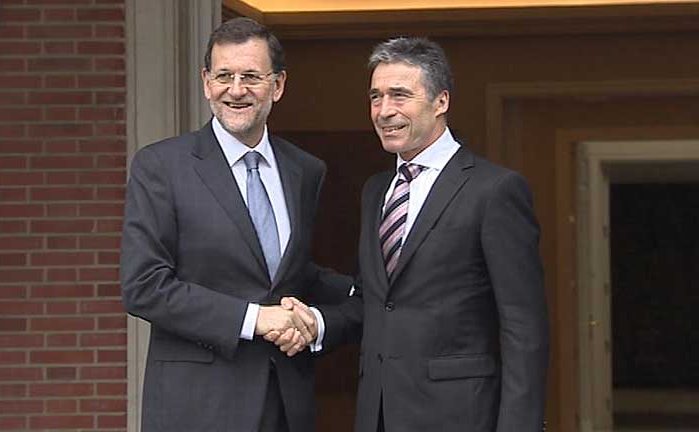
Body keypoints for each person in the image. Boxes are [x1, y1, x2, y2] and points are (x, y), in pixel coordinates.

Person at [120, 17, 350, 432]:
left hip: (286, 402)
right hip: (199, 407)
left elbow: (292, 272)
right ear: (206, 82)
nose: (236, 89)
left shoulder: (305, 170)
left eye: (251, 77)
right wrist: (255, 318)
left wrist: (365, 294)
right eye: (224, 76)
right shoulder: (161, 166)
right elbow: (144, 286)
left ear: (278, 85)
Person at [315, 37, 550, 431]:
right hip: (378, 416)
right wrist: (315, 323)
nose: (384, 111)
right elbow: (376, 301)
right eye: (375, 97)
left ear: (441, 101)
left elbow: (524, 327)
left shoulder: (494, 190)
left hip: (460, 417)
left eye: (399, 95)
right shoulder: (375, 190)